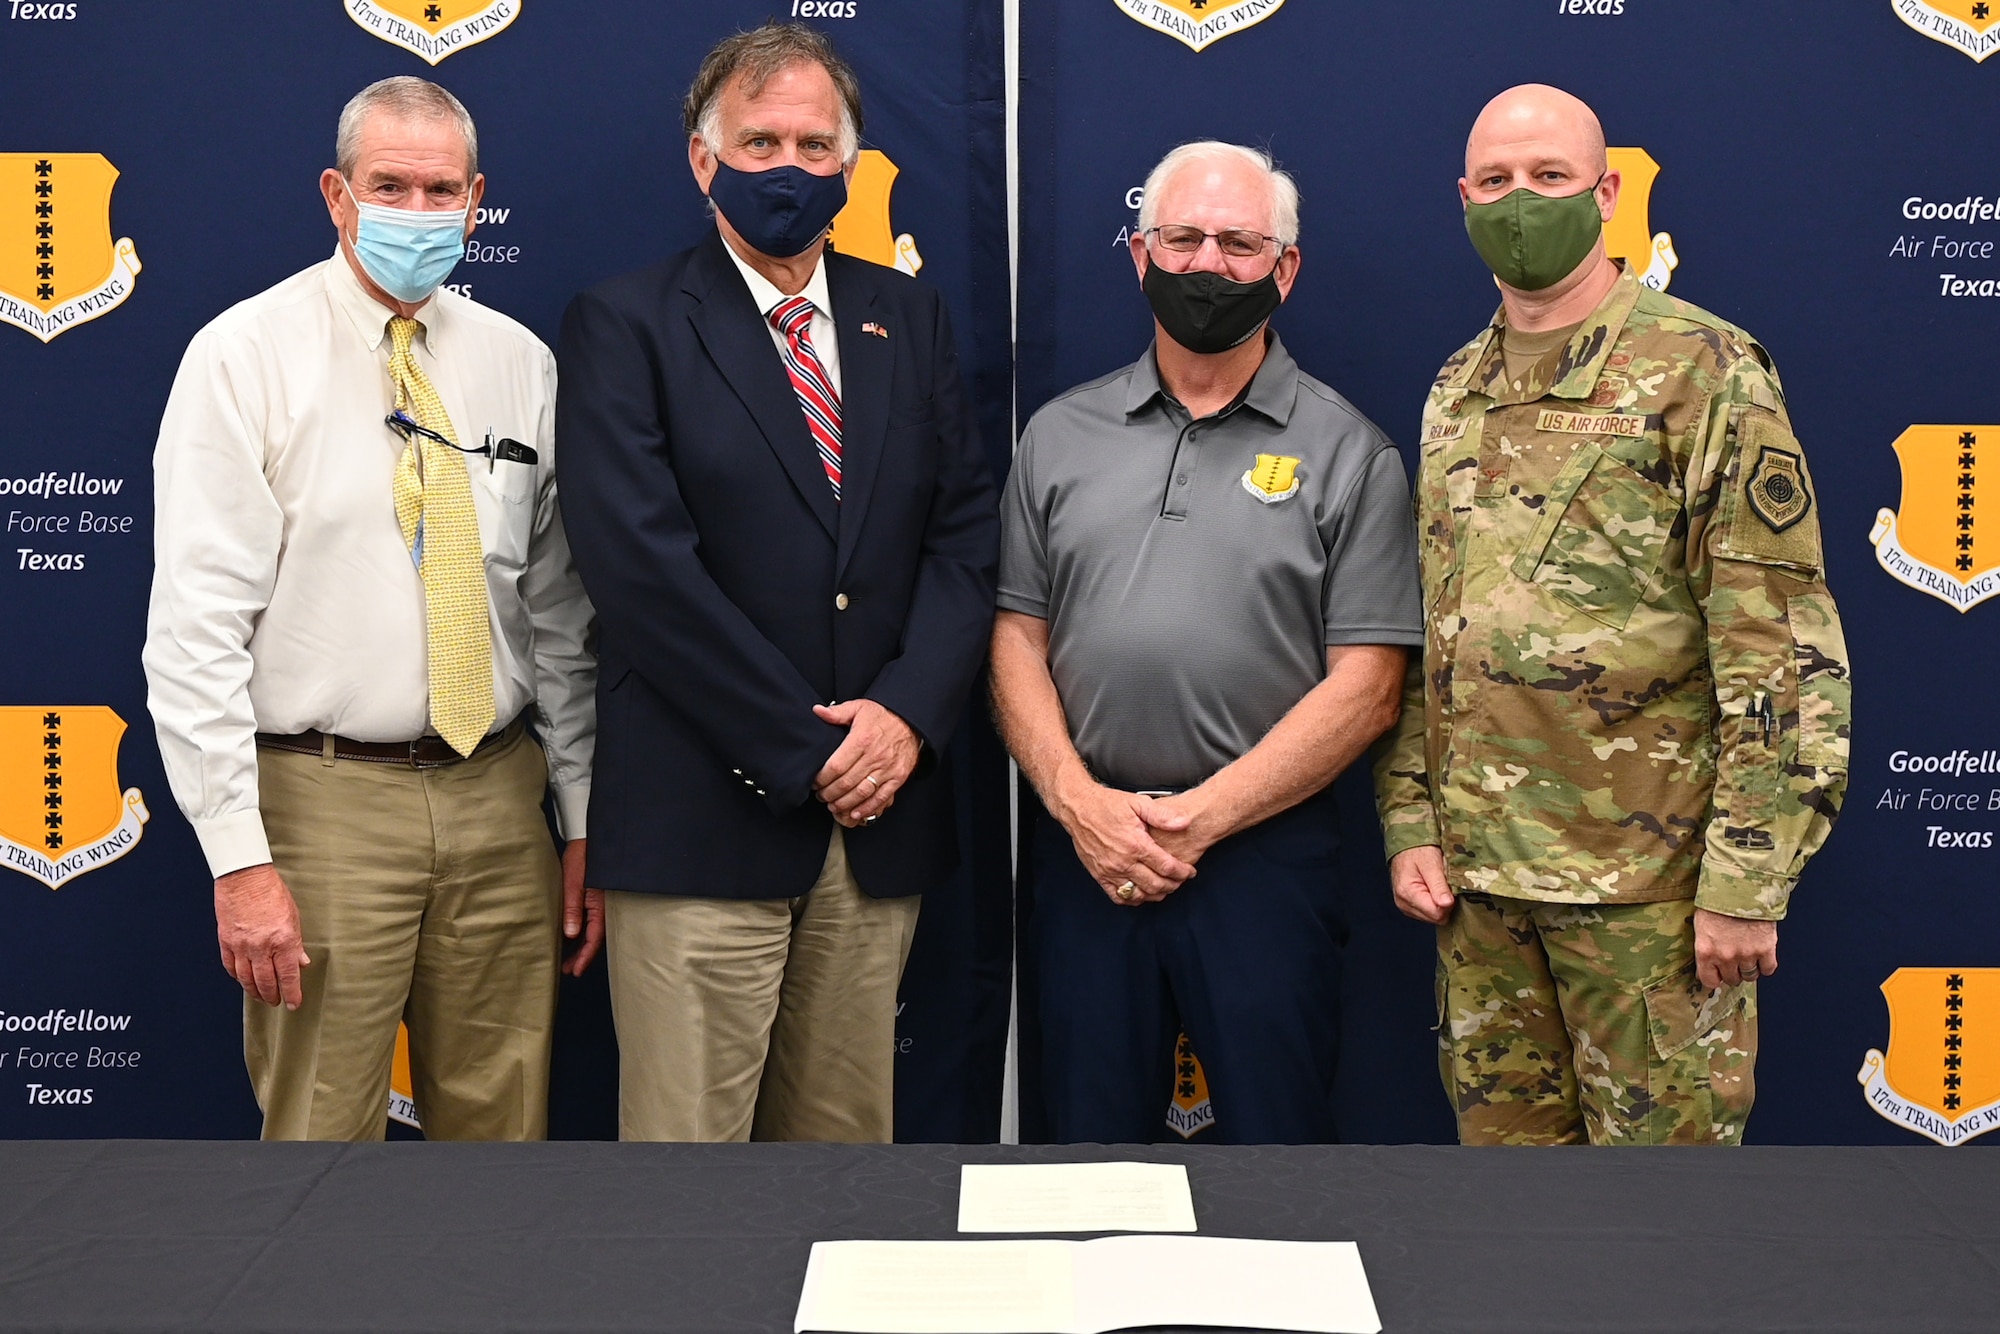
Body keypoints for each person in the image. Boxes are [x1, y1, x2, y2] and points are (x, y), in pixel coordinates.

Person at [1374, 84, 1852, 1146]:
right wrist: (1410, 818)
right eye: (1493, 181)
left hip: (1649, 905)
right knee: (1512, 1225)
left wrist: (1745, 876)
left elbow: (1778, 649)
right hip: (1480, 898)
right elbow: (1434, 627)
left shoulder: (1702, 369)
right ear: (1461, 197)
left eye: (1546, 177)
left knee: (1659, 1239)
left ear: (1607, 189)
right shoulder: (1455, 387)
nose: (1517, 201)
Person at [555, 22, 999, 1144]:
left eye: (812, 144)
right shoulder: (626, 325)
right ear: (703, 161)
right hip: (704, 823)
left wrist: (902, 719)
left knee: (844, 1168)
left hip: (877, 827)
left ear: (849, 168)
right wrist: (812, 753)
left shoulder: (911, 317)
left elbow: (962, 542)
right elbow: (641, 574)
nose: (788, 169)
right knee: (687, 1178)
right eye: (757, 143)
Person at [145, 77, 599, 1141]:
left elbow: (560, 618)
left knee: (501, 1134)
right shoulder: (245, 355)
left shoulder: (518, 361)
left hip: (498, 796)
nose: (416, 208)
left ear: (477, 199)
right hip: (321, 802)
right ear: (336, 196)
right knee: (318, 1144)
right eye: (388, 184)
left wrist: (580, 817)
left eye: (440, 188)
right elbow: (195, 629)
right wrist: (238, 856)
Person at [991, 142, 1422, 1144]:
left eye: (1238, 243)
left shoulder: (1351, 452)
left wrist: (1194, 820)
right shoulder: (1056, 436)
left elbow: (1366, 690)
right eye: (1182, 238)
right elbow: (1014, 638)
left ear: (1285, 268)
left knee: (1279, 1162)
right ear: (1139, 253)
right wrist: (1078, 804)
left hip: (1262, 862)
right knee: (1083, 1166)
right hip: (1085, 851)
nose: (1206, 263)